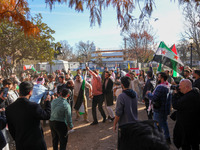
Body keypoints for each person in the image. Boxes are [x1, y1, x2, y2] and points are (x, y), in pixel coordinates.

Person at [5, 81, 51, 150]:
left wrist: (18, 139)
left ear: (19, 91)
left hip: (21, 144)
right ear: (30, 92)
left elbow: (11, 129)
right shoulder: (34, 106)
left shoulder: (9, 109)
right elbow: (47, 115)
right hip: (36, 144)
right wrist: (48, 102)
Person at [172, 79, 200, 150]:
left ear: (187, 87)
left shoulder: (187, 98)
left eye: (181, 86)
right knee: (195, 144)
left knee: (185, 144)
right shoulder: (195, 92)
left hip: (186, 127)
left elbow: (175, 105)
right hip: (195, 125)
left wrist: (175, 94)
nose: (179, 88)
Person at [113, 76, 138, 149]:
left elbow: (118, 113)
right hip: (134, 123)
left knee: (123, 145)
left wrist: (114, 124)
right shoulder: (135, 94)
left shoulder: (121, 96)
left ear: (122, 85)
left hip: (125, 125)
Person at [147, 72, 171, 144]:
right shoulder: (168, 85)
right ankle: (167, 138)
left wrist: (148, 94)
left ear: (162, 78)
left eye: (159, 77)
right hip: (164, 108)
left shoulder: (160, 87)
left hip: (159, 109)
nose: (158, 78)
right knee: (164, 123)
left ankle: (158, 140)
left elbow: (154, 98)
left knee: (157, 125)